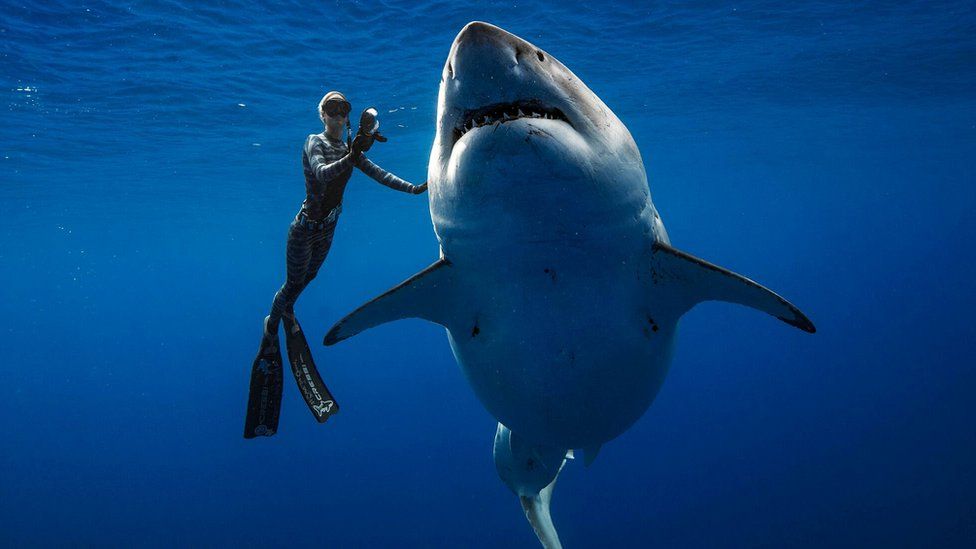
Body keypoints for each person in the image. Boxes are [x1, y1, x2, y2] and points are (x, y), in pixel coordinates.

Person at [244, 90, 426, 438]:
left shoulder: (349, 150)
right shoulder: (314, 142)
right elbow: (323, 173)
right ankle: (272, 325)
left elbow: (379, 173)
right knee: (293, 284)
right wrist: (354, 153)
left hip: (329, 229)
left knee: (307, 279)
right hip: (304, 229)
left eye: (344, 110)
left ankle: (286, 311)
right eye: (332, 109)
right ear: (322, 115)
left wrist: (416, 189)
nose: (339, 116)